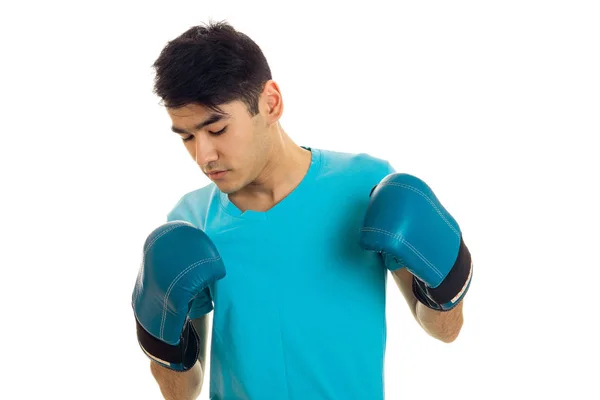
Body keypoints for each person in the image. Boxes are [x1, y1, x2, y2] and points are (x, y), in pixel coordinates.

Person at [131, 21, 473, 400]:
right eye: (187, 136)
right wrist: (161, 340)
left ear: (271, 103)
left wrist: (448, 276)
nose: (203, 155)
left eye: (217, 130)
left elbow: (444, 330)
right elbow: (183, 392)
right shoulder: (191, 220)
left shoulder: (366, 185)